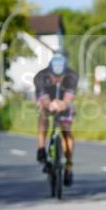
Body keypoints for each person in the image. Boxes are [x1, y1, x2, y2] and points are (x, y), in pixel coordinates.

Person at [34, 52, 78, 186]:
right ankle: (41, 147)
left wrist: (63, 104)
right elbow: (44, 99)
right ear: (49, 72)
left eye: (61, 76)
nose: (58, 79)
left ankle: (68, 167)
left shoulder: (72, 76)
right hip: (47, 101)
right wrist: (50, 105)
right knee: (43, 115)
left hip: (63, 103)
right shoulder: (40, 77)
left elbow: (69, 98)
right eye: (55, 76)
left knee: (66, 130)